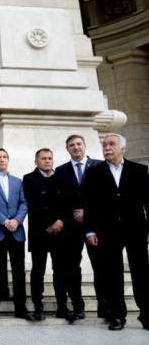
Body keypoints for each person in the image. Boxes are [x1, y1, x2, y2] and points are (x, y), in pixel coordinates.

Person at [83, 133, 149, 331]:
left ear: (123, 148)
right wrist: (90, 230)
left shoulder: (139, 170)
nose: (107, 147)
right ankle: (117, 316)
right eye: (104, 144)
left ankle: (147, 314)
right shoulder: (94, 172)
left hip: (136, 228)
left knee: (142, 272)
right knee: (111, 274)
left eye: (112, 144)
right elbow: (90, 204)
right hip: (107, 230)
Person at [23, 148, 77, 322]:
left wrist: (61, 221)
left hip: (61, 232)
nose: (47, 161)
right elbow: (34, 203)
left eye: (50, 158)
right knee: (38, 271)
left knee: (60, 271)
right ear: (36, 161)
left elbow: (68, 202)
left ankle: (62, 306)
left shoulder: (62, 177)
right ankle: (38, 306)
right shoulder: (29, 179)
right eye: (43, 158)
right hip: (40, 231)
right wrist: (52, 222)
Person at [0, 148, 33, 321]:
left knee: (19, 271)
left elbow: (24, 203)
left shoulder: (17, 181)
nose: (2, 160)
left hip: (16, 231)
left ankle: (21, 307)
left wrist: (16, 220)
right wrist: (5, 221)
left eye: (4, 157)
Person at [55, 134, 103, 319]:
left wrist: (87, 213)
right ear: (67, 149)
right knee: (72, 268)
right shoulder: (61, 171)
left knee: (101, 267)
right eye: (71, 145)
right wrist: (72, 215)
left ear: (85, 146)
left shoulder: (99, 166)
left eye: (78, 144)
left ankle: (105, 307)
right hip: (71, 227)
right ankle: (78, 306)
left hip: (96, 226)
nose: (76, 147)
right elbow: (60, 200)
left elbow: (104, 198)